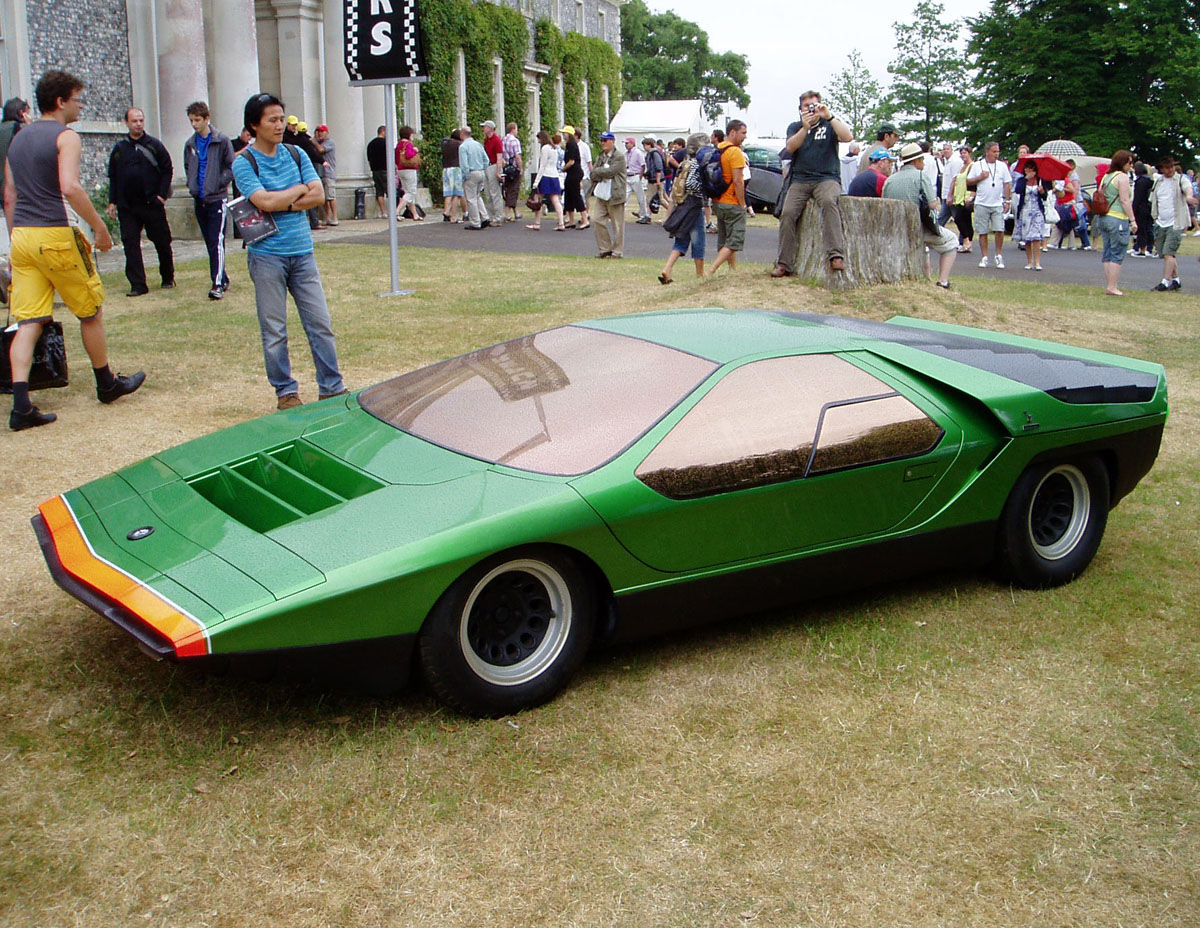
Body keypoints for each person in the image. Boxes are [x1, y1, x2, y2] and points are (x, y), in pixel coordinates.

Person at [6, 70, 144, 431]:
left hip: (21, 236)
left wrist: (16, 236)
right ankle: (107, 383)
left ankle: (21, 405)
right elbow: (69, 186)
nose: (81, 105)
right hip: (54, 235)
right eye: (78, 98)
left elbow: (9, 195)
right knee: (90, 309)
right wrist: (99, 227)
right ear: (60, 102)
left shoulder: (17, 139)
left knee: (30, 320)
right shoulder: (66, 137)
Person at [231, 92, 347, 410]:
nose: (280, 125)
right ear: (254, 125)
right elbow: (263, 202)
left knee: (319, 322)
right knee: (274, 329)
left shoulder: (296, 154)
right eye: (272, 120)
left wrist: (284, 198)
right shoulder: (244, 162)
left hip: (302, 251)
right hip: (266, 254)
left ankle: (332, 386)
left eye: (282, 118)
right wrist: (297, 191)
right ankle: (286, 391)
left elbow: (319, 194)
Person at [771, 90, 853, 277]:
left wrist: (829, 115)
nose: (811, 110)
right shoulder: (795, 127)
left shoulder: (830, 124)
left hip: (827, 177)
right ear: (800, 110)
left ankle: (836, 255)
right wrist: (805, 127)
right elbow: (791, 147)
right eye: (806, 107)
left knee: (828, 203)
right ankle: (784, 263)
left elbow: (848, 137)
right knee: (788, 213)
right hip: (801, 179)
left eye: (814, 105)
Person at [106, 106, 174, 296]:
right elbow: (114, 176)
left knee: (162, 241)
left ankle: (168, 276)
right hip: (128, 205)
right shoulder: (119, 149)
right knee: (130, 244)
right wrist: (113, 202)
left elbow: (167, 169)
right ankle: (138, 284)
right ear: (127, 123)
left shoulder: (154, 145)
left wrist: (161, 195)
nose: (138, 124)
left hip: (152, 203)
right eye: (134, 121)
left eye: (141, 120)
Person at [882, 142, 958, 289]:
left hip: (895, 228)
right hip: (918, 227)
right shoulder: (921, 177)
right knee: (951, 242)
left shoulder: (890, 180)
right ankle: (943, 282)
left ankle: (925, 279)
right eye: (922, 160)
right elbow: (931, 205)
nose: (923, 162)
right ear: (916, 161)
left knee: (924, 250)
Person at [183, 100, 235, 299]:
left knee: (217, 240)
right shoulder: (190, 144)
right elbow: (188, 166)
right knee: (210, 241)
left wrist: (218, 183)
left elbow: (231, 166)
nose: (194, 124)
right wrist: (192, 185)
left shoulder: (221, 140)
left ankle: (217, 283)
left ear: (206, 119)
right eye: (191, 121)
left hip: (217, 198)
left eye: (197, 120)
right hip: (200, 198)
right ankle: (222, 276)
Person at [658, 132, 709, 283]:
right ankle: (700, 275)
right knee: (699, 239)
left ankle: (667, 269)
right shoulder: (697, 165)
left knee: (682, 238)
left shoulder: (684, 163)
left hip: (683, 204)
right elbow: (692, 184)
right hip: (694, 204)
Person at [706, 119, 749, 276]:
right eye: (743, 133)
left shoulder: (718, 148)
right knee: (734, 241)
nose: (745, 136)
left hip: (718, 201)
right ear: (733, 132)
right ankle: (711, 269)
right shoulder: (735, 152)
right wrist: (742, 204)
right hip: (731, 202)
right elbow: (738, 181)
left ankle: (732, 271)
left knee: (724, 239)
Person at [1093, 149, 1137, 296]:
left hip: (1104, 217)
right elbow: (1125, 200)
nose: (1131, 165)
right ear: (1123, 163)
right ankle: (1112, 286)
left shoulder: (1106, 176)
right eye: (1130, 162)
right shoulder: (1122, 178)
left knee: (1107, 252)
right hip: (1118, 218)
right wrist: (1133, 220)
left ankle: (1110, 284)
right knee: (1117, 252)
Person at [1149, 156, 1196, 291]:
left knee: (1169, 252)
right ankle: (1176, 280)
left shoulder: (1181, 179)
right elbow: (1153, 199)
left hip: (1175, 222)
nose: (1170, 170)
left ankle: (1165, 281)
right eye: (1167, 167)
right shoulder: (1159, 182)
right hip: (1160, 221)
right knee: (1165, 253)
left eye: (1171, 167)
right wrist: (1155, 218)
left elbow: (1188, 189)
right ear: (1162, 169)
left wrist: (1188, 197)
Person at [967, 141, 1011, 268]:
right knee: (983, 231)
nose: (996, 154)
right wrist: (980, 177)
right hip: (982, 202)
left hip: (997, 202)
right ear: (987, 152)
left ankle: (998, 255)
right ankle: (984, 256)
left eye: (998, 151)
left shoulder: (1002, 166)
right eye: (994, 151)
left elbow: (1007, 183)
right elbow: (969, 181)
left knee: (999, 229)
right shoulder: (978, 165)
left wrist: (1007, 201)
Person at [588, 131, 626, 258]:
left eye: (605, 140)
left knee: (617, 224)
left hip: (615, 194)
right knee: (598, 220)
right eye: (601, 140)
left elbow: (611, 171)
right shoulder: (601, 156)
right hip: (601, 193)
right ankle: (605, 248)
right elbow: (592, 173)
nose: (603, 143)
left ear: (612, 141)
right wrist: (598, 171)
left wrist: (598, 171)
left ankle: (617, 251)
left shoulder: (619, 156)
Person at [1012, 160, 1051, 271]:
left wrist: (1042, 191)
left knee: (1036, 237)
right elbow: (1018, 190)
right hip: (1025, 210)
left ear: (1034, 170)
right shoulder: (1021, 180)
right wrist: (1026, 179)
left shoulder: (1040, 180)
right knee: (1027, 238)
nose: (1027, 170)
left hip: (1037, 211)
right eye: (1026, 168)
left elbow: (1045, 197)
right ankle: (1029, 262)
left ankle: (1037, 262)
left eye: (1030, 168)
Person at [528, 129, 566, 231]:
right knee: (555, 200)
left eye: (539, 139)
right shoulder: (554, 148)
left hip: (545, 176)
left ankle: (537, 222)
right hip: (554, 176)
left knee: (538, 199)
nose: (538, 141)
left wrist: (536, 181)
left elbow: (542, 165)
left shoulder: (545, 148)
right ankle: (561, 223)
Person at [458, 125, 490, 230]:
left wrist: (465, 176)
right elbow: (486, 159)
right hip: (481, 172)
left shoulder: (463, 147)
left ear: (462, 134)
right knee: (477, 196)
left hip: (471, 173)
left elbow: (464, 164)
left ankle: (475, 222)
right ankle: (485, 217)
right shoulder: (478, 144)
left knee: (471, 199)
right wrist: (484, 170)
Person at [561, 125, 588, 229]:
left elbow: (572, 161)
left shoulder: (572, 144)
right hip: (571, 173)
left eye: (564, 133)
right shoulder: (568, 145)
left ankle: (585, 219)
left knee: (576, 195)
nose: (563, 135)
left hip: (575, 172)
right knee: (568, 195)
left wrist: (563, 168)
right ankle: (571, 220)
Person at [394, 125, 423, 221]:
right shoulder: (408, 144)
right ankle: (396, 211)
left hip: (400, 169)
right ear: (409, 135)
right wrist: (415, 151)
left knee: (407, 192)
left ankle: (415, 214)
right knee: (411, 192)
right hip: (409, 169)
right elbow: (408, 155)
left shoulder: (398, 144)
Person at [949, 147, 975, 253]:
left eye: (965, 153)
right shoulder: (961, 167)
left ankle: (967, 241)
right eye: (961, 153)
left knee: (961, 218)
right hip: (958, 197)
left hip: (966, 197)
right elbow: (956, 180)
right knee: (963, 219)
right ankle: (967, 242)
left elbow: (973, 182)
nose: (963, 155)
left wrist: (971, 196)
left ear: (969, 153)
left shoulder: (972, 166)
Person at [481, 120, 505, 222]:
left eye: (485, 127)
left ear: (490, 128)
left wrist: (498, 171)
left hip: (494, 165)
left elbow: (499, 157)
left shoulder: (497, 140)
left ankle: (498, 216)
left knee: (495, 192)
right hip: (487, 166)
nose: (483, 129)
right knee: (488, 192)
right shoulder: (486, 140)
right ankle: (491, 215)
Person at [314, 124, 338, 225]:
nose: (319, 134)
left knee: (331, 197)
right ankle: (326, 217)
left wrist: (313, 142)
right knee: (324, 199)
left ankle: (335, 217)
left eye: (322, 131)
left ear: (327, 133)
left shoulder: (330, 143)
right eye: (318, 131)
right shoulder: (317, 143)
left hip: (329, 173)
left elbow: (321, 150)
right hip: (320, 173)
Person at [643, 136, 670, 219]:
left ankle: (672, 212)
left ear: (649, 145)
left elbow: (659, 167)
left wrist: (658, 180)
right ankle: (648, 215)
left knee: (660, 199)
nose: (644, 147)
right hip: (652, 179)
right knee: (650, 198)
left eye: (645, 145)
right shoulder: (649, 154)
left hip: (657, 179)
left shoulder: (655, 153)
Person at [440, 128, 464, 222]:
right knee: (457, 193)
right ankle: (454, 215)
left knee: (448, 193)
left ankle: (446, 212)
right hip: (456, 169)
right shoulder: (460, 145)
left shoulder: (445, 144)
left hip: (446, 169)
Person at [501, 122, 523, 221]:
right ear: (513, 129)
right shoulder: (515, 141)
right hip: (514, 168)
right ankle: (507, 212)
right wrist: (520, 168)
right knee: (514, 190)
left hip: (506, 168)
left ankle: (516, 212)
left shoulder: (503, 140)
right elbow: (517, 156)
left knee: (507, 188)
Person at [1131, 162, 1154, 257]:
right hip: (1149, 207)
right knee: (1148, 228)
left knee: (1141, 229)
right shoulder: (1150, 180)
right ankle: (1150, 248)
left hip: (1141, 208)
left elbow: (1137, 197)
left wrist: (1133, 209)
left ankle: (1142, 249)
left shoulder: (1140, 182)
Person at [624, 137, 649, 223]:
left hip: (636, 176)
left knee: (640, 197)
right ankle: (619, 214)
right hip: (628, 176)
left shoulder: (638, 153)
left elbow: (643, 165)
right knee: (624, 196)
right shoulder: (626, 154)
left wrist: (640, 176)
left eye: (627, 143)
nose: (626, 145)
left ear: (632, 143)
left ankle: (644, 215)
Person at [366, 124, 388, 218]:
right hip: (385, 169)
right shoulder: (385, 143)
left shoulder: (371, 144)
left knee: (379, 192)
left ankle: (383, 212)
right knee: (389, 190)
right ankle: (393, 211)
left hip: (375, 170)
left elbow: (369, 159)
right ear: (383, 131)